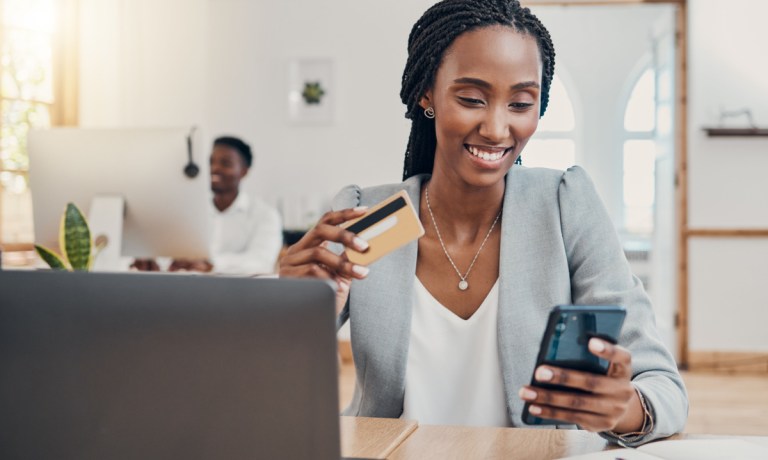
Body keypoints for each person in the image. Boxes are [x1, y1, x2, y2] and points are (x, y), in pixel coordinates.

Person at [279, 0, 687, 446]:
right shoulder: (369, 217)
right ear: (427, 93)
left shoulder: (564, 207)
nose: (496, 128)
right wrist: (285, 308)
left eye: (520, 103)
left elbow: (665, 389)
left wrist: (625, 407)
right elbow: (273, 379)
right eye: (472, 99)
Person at [132, 136, 283, 275]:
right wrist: (155, 262)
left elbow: (261, 263)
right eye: (211, 162)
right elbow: (170, 252)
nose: (214, 168)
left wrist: (210, 264)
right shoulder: (189, 210)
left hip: (238, 295)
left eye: (226, 163)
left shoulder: (265, 215)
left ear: (244, 171)